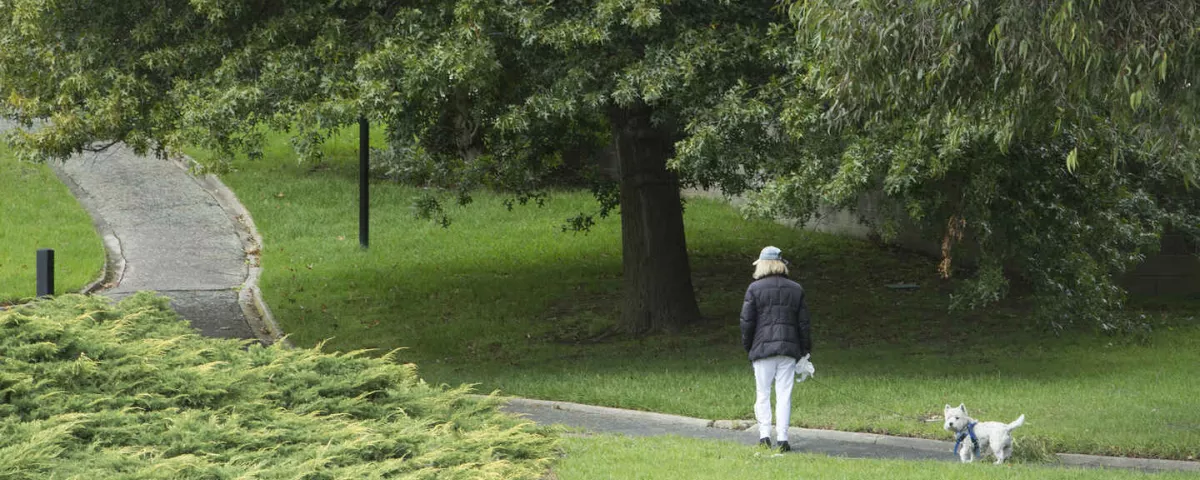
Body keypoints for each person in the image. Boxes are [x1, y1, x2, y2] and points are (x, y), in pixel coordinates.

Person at [740, 246, 812, 453]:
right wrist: (805, 350)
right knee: (784, 394)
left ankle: (764, 436)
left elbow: (747, 322)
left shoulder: (754, 289)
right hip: (788, 349)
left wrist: (749, 347)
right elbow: (804, 324)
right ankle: (783, 439)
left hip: (762, 349)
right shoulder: (796, 289)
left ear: (762, 264)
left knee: (762, 393)